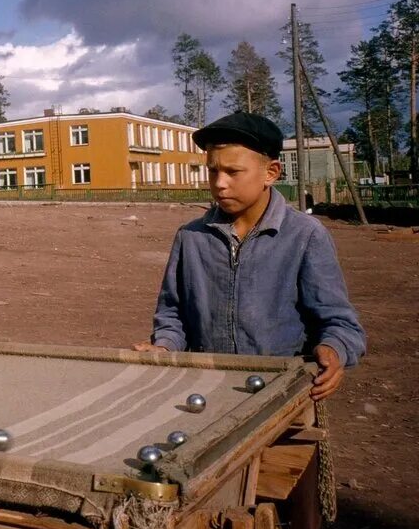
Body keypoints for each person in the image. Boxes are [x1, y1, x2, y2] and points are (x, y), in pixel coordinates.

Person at [133, 111, 366, 401]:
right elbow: (173, 314)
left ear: (271, 173)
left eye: (233, 172)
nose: (219, 183)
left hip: (281, 396)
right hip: (205, 392)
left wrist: (333, 349)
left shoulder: (305, 236)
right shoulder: (191, 237)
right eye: (213, 171)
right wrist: (165, 345)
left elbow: (340, 323)